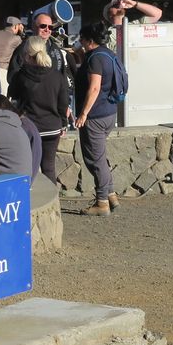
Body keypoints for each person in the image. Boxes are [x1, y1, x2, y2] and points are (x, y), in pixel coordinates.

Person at [74, 22, 126, 216]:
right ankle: (111, 195)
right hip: (109, 112)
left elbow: (95, 88)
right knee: (100, 157)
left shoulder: (95, 59)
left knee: (95, 160)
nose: (80, 42)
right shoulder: (107, 53)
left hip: (95, 116)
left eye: (81, 38)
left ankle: (102, 202)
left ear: (90, 40)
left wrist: (83, 114)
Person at [10, 35, 70, 182]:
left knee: (29, 167)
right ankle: (53, 196)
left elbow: (13, 97)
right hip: (52, 127)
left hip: (29, 128)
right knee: (49, 167)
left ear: (26, 54)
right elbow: (63, 104)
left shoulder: (21, 76)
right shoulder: (57, 76)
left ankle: (30, 195)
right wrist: (63, 124)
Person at [0, 16, 25, 95]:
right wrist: (22, 32)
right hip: (3, 71)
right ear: (16, 26)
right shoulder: (17, 39)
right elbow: (24, 48)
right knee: (2, 98)